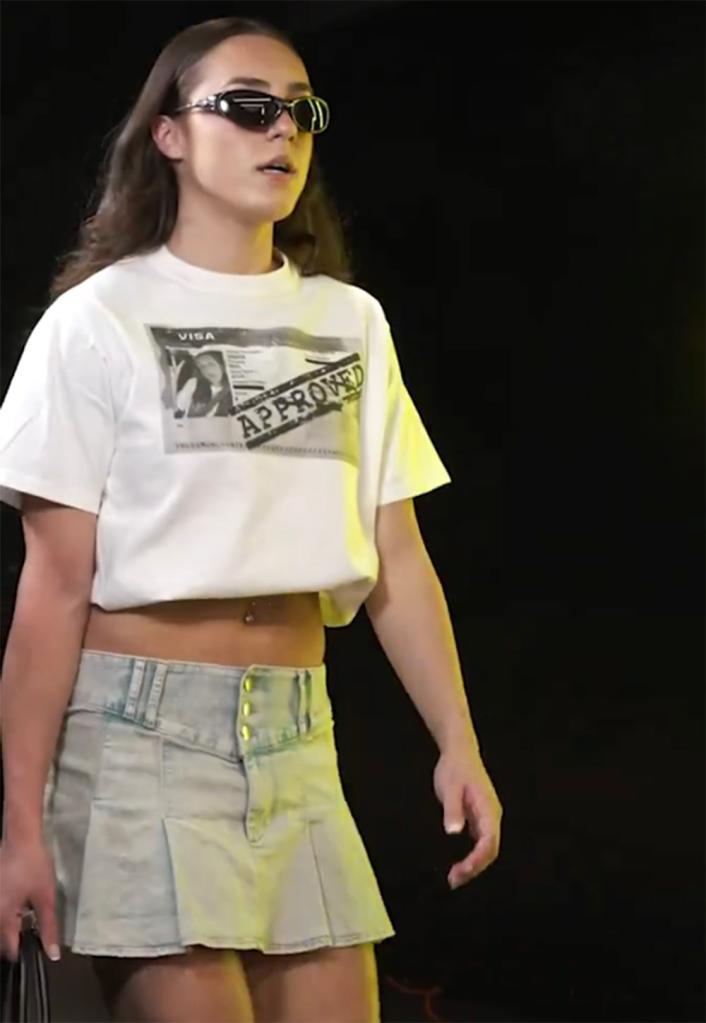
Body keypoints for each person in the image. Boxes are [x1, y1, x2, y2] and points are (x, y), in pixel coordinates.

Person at [0, 15, 502, 1023]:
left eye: (300, 112)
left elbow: (394, 554)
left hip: (295, 737)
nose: (282, 131)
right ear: (170, 135)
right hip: (138, 736)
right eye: (247, 107)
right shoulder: (98, 321)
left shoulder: (347, 321)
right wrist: (19, 822)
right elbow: (53, 587)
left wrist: (459, 740)